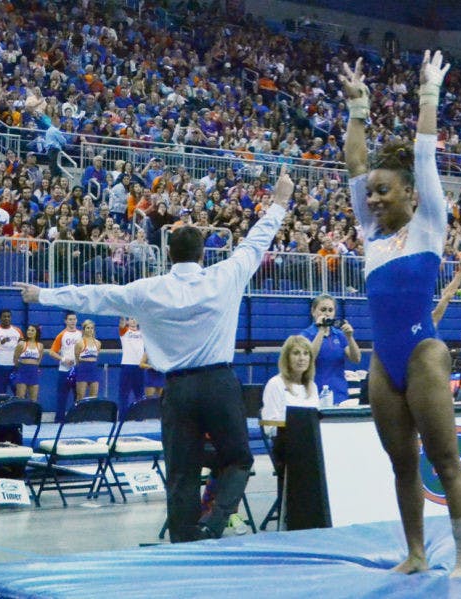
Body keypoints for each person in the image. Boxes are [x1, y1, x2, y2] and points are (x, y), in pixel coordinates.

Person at [15, 164, 295, 543]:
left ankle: (183, 541)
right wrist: (279, 202)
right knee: (239, 459)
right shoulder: (225, 275)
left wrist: (42, 295)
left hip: (176, 390)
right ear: (201, 254)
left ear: (168, 255)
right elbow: (257, 240)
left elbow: (94, 296)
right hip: (218, 383)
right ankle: (213, 525)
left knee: (181, 471)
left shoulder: (147, 290)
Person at [341, 50, 461, 576]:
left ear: (409, 195)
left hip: (423, 353)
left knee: (444, 460)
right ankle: (416, 553)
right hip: (384, 361)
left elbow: (424, 155)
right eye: (370, 192)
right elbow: (354, 162)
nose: (372, 198)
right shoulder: (371, 233)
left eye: (382, 191)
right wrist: (357, 108)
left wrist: (428, 96)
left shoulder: (428, 226)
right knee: (401, 465)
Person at [261, 335, 319, 504]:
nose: (302, 358)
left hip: (311, 445)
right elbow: (269, 425)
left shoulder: (313, 386)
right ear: (286, 357)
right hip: (285, 446)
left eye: (306, 353)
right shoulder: (275, 384)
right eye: (296, 353)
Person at [300, 294, 361, 405]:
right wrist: (321, 331)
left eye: (330, 310)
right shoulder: (305, 335)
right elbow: (309, 358)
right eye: (323, 310)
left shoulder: (339, 335)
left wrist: (350, 337)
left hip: (339, 393)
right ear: (313, 312)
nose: (327, 313)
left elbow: (356, 359)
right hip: (314, 393)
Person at [48, 312, 83, 422]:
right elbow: (52, 352)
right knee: (62, 397)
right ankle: (59, 420)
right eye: (70, 319)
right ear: (66, 321)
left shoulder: (81, 335)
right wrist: (63, 359)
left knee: (78, 396)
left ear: (77, 320)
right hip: (64, 370)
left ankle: (77, 419)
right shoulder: (61, 335)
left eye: (74, 319)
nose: (72, 321)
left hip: (78, 370)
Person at [0, 309, 22, 394]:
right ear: (0, 318)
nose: (6, 318)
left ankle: (18, 407)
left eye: (8, 316)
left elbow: (22, 348)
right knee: (0, 392)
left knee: (18, 391)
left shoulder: (17, 331)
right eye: (4, 316)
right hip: (0, 367)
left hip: (14, 367)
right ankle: (1, 407)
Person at [118, 317, 145, 415]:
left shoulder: (143, 332)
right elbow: (121, 322)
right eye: (131, 319)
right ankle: (122, 416)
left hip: (140, 366)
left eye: (135, 318)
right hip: (127, 365)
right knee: (124, 393)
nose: (133, 321)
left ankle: (140, 416)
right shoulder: (125, 331)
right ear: (128, 321)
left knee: (140, 394)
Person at [12, 324, 43, 401]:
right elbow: (15, 359)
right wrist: (21, 369)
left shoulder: (40, 345)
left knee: (33, 399)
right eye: (28, 330)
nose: (29, 332)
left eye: (32, 330)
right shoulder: (22, 344)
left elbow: (39, 360)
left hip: (33, 373)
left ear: (37, 332)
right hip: (22, 372)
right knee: (20, 398)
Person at [74, 319, 101, 401]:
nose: (90, 330)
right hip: (83, 369)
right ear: (84, 329)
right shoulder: (79, 343)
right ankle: (79, 413)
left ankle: (91, 413)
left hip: (93, 369)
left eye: (92, 328)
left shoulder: (98, 343)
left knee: (94, 395)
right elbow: (77, 357)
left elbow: (96, 356)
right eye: (88, 328)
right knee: (80, 395)